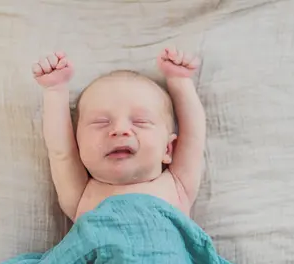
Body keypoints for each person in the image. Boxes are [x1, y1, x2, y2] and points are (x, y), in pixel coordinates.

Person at [31, 47, 206, 220]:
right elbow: (61, 151)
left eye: (140, 121)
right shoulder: (81, 195)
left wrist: (180, 81)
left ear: (168, 149)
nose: (120, 130)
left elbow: (193, 138)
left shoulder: (178, 187)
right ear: (78, 146)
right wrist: (55, 90)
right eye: (101, 122)